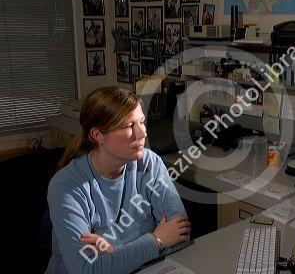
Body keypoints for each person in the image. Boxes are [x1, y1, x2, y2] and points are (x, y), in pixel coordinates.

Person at [46, 87, 191, 273]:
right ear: (98, 135)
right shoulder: (66, 187)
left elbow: (181, 234)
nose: (142, 133)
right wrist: (157, 240)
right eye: (129, 126)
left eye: (142, 122)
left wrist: (115, 253)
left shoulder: (150, 164)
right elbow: (85, 270)